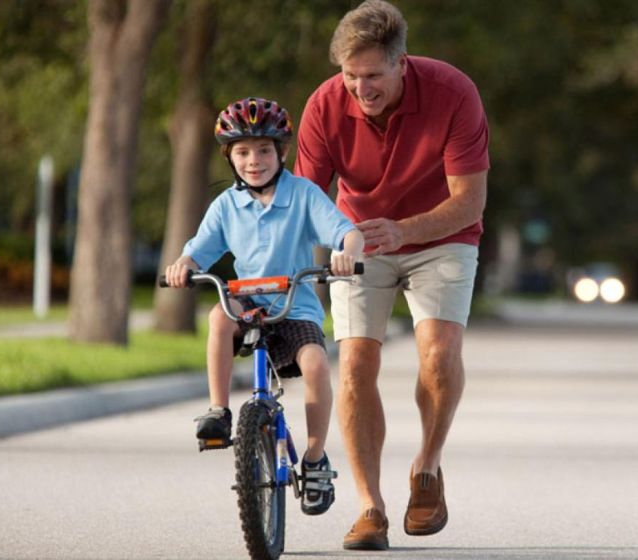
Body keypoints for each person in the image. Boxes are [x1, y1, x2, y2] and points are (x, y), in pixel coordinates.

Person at [294, 0, 489, 549]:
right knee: (355, 362)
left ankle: (426, 467)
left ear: (403, 63)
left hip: (443, 235)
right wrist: (300, 270)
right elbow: (306, 202)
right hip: (359, 238)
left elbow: (469, 202)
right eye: (350, 76)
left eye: (373, 75)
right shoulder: (326, 105)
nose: (360, 88)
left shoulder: (453, 93)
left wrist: (405, 230)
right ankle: (370, 506)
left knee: (438, 351)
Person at [164, 97, 365, 516]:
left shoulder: (303, 195)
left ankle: (313, 460)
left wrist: (346, 251)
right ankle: (219, 410)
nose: (253, 161)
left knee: (316, 365)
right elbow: (198, 251)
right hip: (249, 305)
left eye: (263, 151)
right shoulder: (226, 206)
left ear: (281, 152)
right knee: (219, 315)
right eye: (242, 152)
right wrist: (184, 265)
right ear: (229, 157)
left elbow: (346, 231)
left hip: (294, 306)